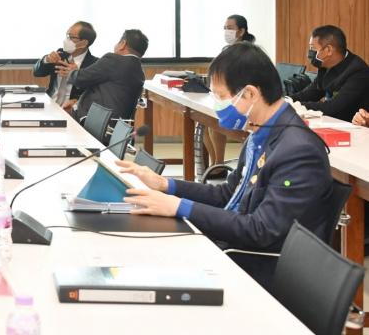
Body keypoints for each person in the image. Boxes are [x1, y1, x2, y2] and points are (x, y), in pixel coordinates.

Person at [118, 42, 333, 289]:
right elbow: (227, 194)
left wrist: (179, 207)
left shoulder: (298, 151)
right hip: (232, 245)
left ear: (250, 94)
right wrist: (167, 185)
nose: (217, 105)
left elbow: (261, 230)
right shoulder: (260, 132)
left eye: (221, 96)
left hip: (258, 268)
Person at [205, 15, 257, 166]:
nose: (226, 31)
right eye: (225, 28)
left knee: (215, 120)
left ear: (241, 31)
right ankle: (216, 164)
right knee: (204, 121)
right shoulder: (227, 50)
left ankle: (218, 164)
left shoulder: (249, 51)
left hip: (244, 99)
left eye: (230, 28)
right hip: (228, 94)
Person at [65, 29, 147, 123]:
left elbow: (80, 79)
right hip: (116, 126)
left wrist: (72, 71)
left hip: (92, 122)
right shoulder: (140, 72)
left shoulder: (113, 60)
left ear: (123, 44)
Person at [290, 25, 369, 121]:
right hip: (332, 121)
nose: (310, 53)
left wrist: (294, 106)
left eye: (313, 48)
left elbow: (333, 107)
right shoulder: (325, 65)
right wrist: (286, 100)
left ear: (328, 50)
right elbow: (312, 92)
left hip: (351, 126)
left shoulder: (358, 71)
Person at [32, 21, 99, 110]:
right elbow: (37, 72)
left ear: (84, 43)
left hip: (70, 110)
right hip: (49, 104)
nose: (66, 40)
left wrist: (78, 74)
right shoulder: (60, 54)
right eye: (67, 36)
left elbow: (93, 94)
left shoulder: (95, 64)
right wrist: (46, 60)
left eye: (71, 37)